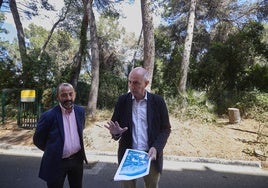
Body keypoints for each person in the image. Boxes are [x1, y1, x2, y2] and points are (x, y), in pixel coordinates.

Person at [105, 67, 171, 188]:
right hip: (128, 155)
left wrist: (156, 147)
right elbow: (116, 128)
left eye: (136, 83)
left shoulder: (158, 101)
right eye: (130, 82)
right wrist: (116, 133)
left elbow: (165, 129)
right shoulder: (122, 101)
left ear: (146, 83)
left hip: (150, 156)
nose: (131, 86)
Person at [33, 83, 88, 188]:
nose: (68, 98)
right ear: (58, 97)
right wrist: (53, 150)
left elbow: (81, 128)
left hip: (77, 160)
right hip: (56, 162)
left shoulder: (80, 111)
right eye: (63, 95)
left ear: (74, 95)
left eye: (70, 94)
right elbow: (37, 140)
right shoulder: (48, 116)